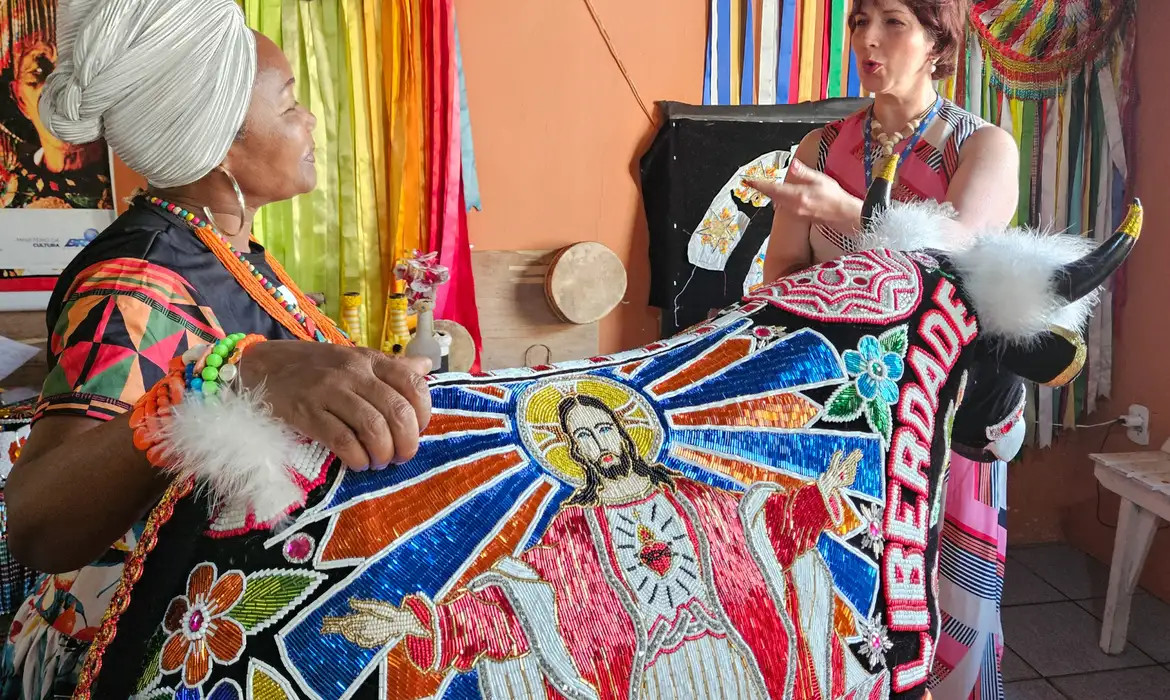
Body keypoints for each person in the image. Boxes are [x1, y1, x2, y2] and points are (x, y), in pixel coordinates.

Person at [0, 0, 431, 697]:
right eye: (289, 102)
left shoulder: (231, 251)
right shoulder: (135, 280)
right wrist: (227, 374)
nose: (310, 121)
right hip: (128, 652)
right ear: (223, 136)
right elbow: (40, 527)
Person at [747, 1, 1020, 698]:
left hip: (942, 414)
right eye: (859, 19)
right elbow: (780, 275)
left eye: (893, 21)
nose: (868, 39)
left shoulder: (980, 146)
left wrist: (846, 212)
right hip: (842, 419)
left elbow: (953, 250)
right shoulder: (819, 147)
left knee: (942, 600)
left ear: (938, 39)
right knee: (837, 603)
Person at [321, 387, 877, 699]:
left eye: (603, 429)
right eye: (582, 437)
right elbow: (521, 601)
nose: (597, 443)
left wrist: (818, 496)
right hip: (652, 677)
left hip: (729, 660)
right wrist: (417, 624)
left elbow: (763, 534)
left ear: (624, 432)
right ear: (574, 452)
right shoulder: (576, 530)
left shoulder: (693, 498)